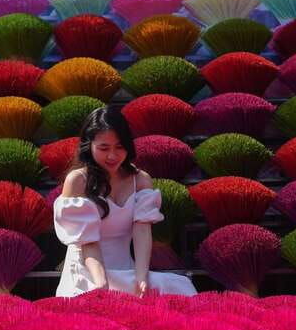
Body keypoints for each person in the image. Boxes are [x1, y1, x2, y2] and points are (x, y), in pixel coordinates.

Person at [52, 106, 198, 298]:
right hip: (87, 270)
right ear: (89, 145)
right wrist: (101, 282)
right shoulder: (77, 180)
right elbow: (87, 241)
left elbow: (142, 230)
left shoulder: (141, 179)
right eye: (104, 148)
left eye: (119, 147)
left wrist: (141, 276)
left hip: (125, 269)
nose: (112, 156)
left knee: (178, 289)